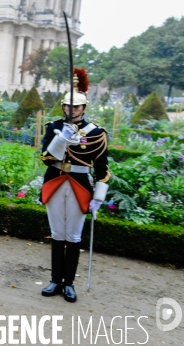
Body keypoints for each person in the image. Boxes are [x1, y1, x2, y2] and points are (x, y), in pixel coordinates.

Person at [39, 68, 111, 303]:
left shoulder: (96, 133)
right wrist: (61, 138)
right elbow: (46, 159)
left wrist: (99, 196)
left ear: (83, 108)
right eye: (68, 107)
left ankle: (68, 283)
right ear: (63, 107)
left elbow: (102, 168)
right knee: (58, 234)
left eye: (76, 107)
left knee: (74, 236)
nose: (72, 110)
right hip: (55, 182)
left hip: (80, 186)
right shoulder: (54, 127)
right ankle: (54, 280)